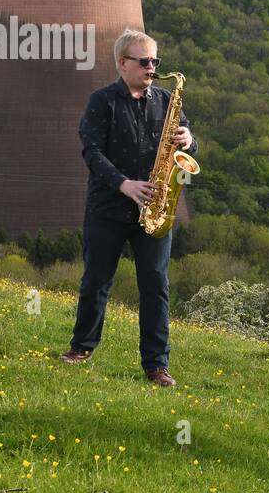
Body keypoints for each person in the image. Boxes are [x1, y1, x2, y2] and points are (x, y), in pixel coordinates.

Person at [58, 29, 196, 387]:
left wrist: (189, 139)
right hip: (109, 206)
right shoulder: (101, 102)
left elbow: (186, 149)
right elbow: (91, 152)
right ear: (122, 63)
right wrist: (124, 184)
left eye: (155, 61)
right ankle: (81, 349)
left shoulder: (167, 100)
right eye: (144, 61)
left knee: (155, 286)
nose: (152, 67)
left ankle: (156, 365)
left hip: (156, 208)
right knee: (96, 281)